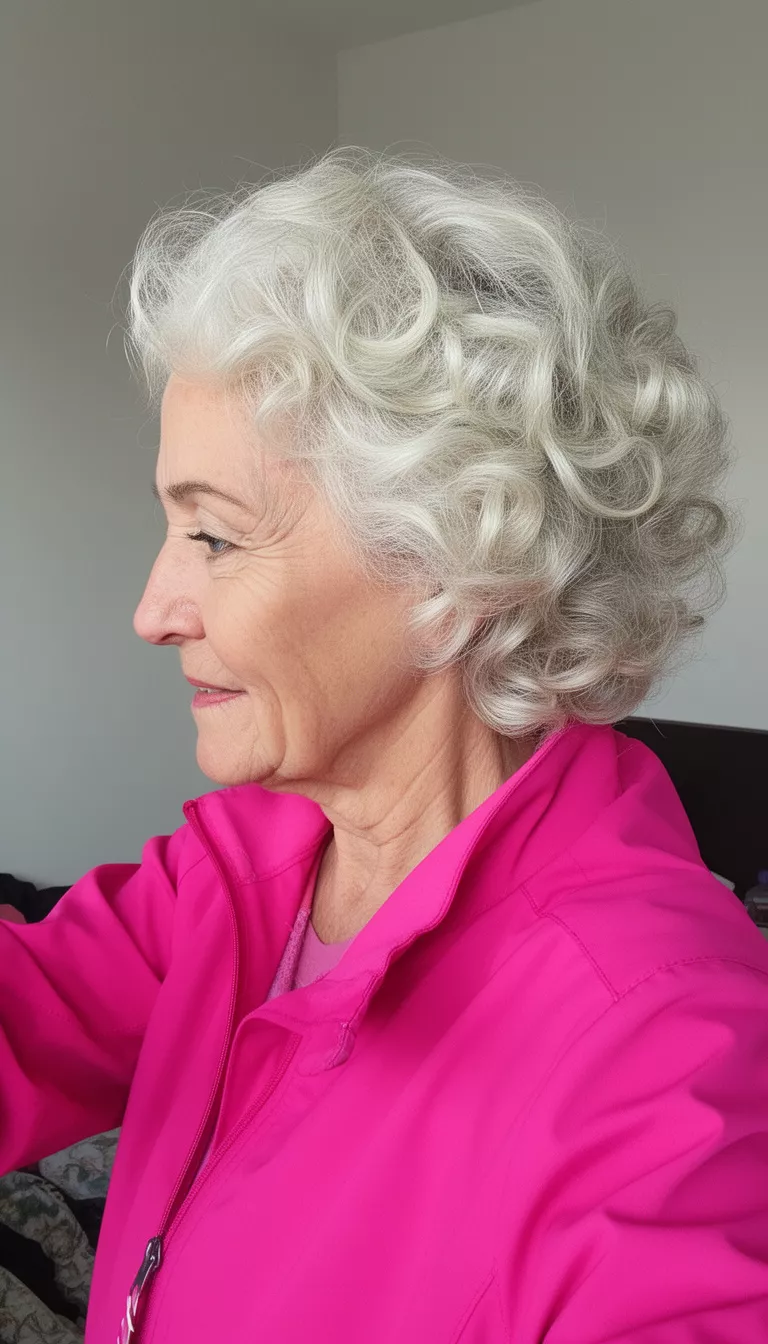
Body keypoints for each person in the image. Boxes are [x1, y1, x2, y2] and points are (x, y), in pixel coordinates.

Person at [2, 146, 767, 1344]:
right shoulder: (252, 863)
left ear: (460, 564)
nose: (152, 611)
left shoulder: (661, 1056)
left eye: (214, 536)